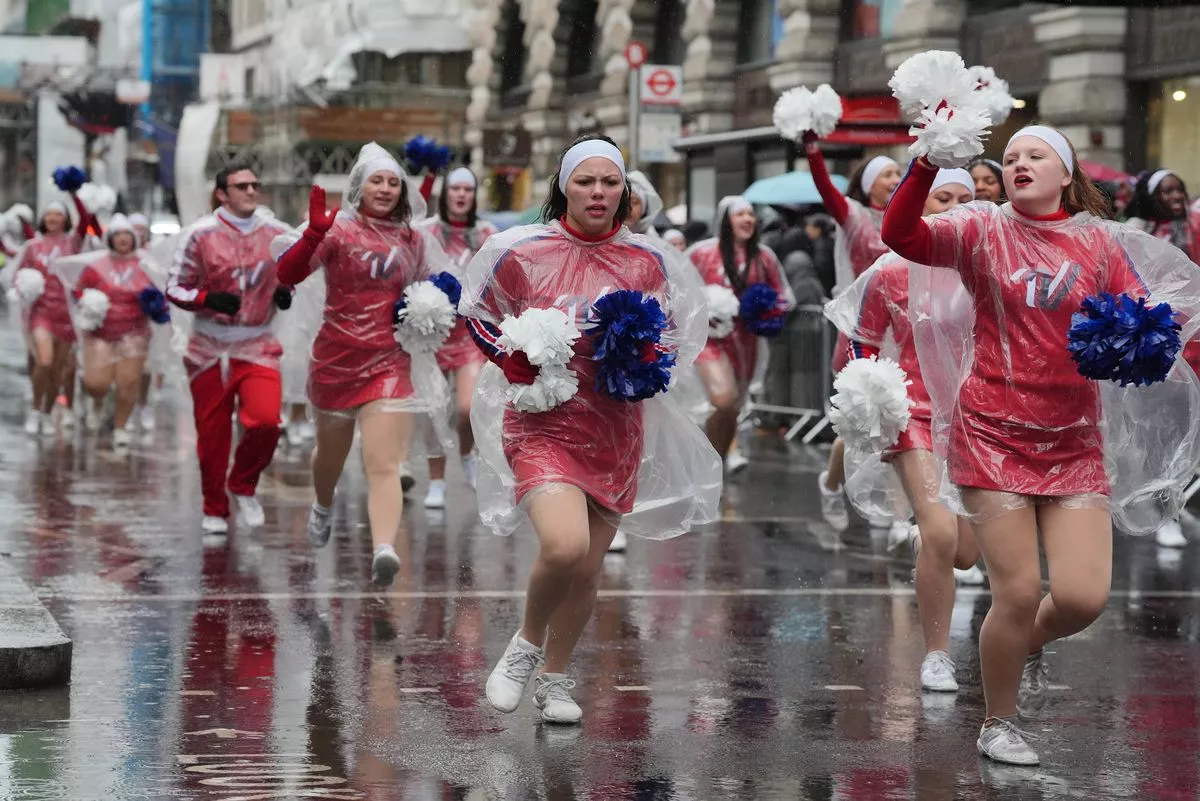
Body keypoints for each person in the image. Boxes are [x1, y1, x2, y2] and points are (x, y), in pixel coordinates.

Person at [881, 126, 1200, 766]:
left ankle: (1015, 643)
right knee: (1019, 590)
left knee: (1083, 597)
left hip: (1074, 442)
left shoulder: (1097, 242)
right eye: (1010, 158)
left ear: (1065, 174)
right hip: (992, 434)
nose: (1019, 165)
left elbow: (1142, 311)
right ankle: (999, 723)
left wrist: (1140, 340)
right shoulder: (979, 229)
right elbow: (902, 236)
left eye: (1035, 156)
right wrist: (923, 166)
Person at [460, 134, 720, 725]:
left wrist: (646, 359)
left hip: (614, 427)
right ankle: (525, 648)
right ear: (563, 186)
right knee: (565, 545)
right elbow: (475, 311)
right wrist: (508, 356)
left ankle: (555, 678)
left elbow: (676, 336)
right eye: (585, 181)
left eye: (609, 182)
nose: (598, 192)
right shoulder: (519, 250)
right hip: (542, 422)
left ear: (624, 190)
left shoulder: (648, 260)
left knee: (584, 568)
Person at [826, 168, 983, 694]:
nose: (956, 206)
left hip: (980, 418)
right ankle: (937, 654)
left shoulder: (988, 264)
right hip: (913, 414)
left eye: (968, 197)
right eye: (944, 197)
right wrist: (869, 389)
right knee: (941, 534)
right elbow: (860, 342)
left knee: (964, 553)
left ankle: (928, 540)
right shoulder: (890, 271)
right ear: (921, 203)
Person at [273, 143, 452, 586]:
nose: (386, 189)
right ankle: (323, 501)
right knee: (329, 458)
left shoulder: (414, 238)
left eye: (394, 182)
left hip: (389, 362)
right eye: (378, 180)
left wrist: (435, 308)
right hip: (335, 359)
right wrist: (314, 235)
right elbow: (287, 274)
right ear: (359, 186)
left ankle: (385, 547)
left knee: (384, 462)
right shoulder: (337, 231)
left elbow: (438, 289)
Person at [167, 162, 292, 536]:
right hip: (209, 348)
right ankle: (214, 508)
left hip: (257, 343)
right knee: (212, 434)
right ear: (222, 193)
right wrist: (207, 298)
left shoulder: (277, 233)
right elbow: (175, 287)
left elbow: (295, 272)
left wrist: (287, 292)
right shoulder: (200, 235)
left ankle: (243, 484)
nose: (251, 192)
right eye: (242, 187)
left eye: (255, 185)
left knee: (267, 420)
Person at [807, 134, 903, 534]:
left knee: (902, 419)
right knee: (860, 422)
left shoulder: (910, 215)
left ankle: (901, 515)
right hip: (863, 329)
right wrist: (812, 149)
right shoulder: (853, 216)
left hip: (903, 328)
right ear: (869, 185)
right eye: (888, 174)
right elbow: (826, 188)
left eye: (899, 172)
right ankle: (830, 482)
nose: (896, 179)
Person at [686, 197, 795, 471]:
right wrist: (702, 308)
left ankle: (716, 463)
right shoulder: (702, 252)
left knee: (733, 407)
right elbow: (677, 286)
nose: (748, 219)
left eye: (751, 214)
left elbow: (785, 297)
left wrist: (766, 308)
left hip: (746, 343)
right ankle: (705, 462)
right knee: (723, 399)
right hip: (709, 341)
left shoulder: (764, 256)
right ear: (726, 220)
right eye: (741, 214)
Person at [1124, 168, 1200, 548]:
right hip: (1154, 351)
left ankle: (1173, 500)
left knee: (1188, 434)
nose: (1175, 196)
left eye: (1180, 189)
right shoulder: (1135, 233)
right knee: (1158, 436)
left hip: (1196, 350)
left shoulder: (1196, 229)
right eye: (1166, 190)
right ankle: (1162, 511)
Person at [414, 166, 498, 509]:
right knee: (435, 410)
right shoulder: (426, 232)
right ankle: (436, 482)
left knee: (466, 408)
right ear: (445, 194)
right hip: (431, 334)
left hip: (469, 336)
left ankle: (468, 453)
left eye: (468, 189)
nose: (461, 195)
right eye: (455, 189)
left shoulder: (487, 233)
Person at [64, 214, 163, 447]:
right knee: (96, 384)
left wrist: (156, 304)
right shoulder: (95, 266)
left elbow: (161, 293)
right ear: (109, 239)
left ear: (134, 239)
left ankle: (120, 428)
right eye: (117, 234)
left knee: (128, 383)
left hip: (135, 333)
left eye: (126, 234)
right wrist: (88, 302)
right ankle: (99, 402)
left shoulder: (147, 265)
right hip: (101, 334)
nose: (122, 239)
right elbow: (78, 291)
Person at [16, 191, 93, 435]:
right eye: (48, 214)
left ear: (65, 219)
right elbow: (19, 275)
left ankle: (47, 413)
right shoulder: (32, 246)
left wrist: (73, 192)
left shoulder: (73, 242)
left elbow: (85, 218)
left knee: (58, 372)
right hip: (41, 313)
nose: (52, 218)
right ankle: (35, 409)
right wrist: (24, 287)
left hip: (67, 314)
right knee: (44, 362)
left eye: (58, 214)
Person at [626, 170, 664, 239]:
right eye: (624, 202)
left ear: (644, 208)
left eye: (635, 202)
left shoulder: (653, 240)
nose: (629, 207)